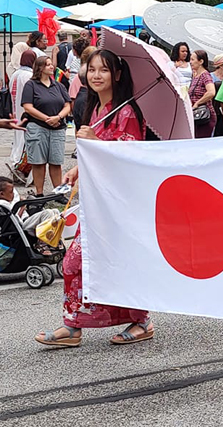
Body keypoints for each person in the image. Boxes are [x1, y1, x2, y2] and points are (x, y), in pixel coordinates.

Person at [35, 49, 154, 348]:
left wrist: (96, 141)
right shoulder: (95, 108)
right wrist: (78, 167)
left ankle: (142, 320)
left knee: (111, 260)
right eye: (91, 69)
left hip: (119, 203)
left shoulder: (127, 111)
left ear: (116, 74)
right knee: (77, 262)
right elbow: (96, 154)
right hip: (97, 200)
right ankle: (73, 325)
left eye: (103, 70)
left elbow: (130, 157)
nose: (96, 75)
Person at [21, 56, 71, 197]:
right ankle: (39, 193)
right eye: (48, 64)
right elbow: (28, 107)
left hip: (57, 127)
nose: (51, 67)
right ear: (40, 68)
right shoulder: (31, 85)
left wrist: (58, 117)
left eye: (51, 64)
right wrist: (46, 118)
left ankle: (58, 193)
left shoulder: (58, 85)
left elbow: (68, 105)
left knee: (56, 161)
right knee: (38, 162)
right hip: (38, 126)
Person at [8, 50, 36, 174]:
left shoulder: (16, 73)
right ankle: (21, 163)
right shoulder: (28, 75)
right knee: (24, 138)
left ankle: (15, 159)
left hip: (15, 109)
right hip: (25, 110)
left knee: (17, 136)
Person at [188, 50, 216, 138]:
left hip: (203, 116)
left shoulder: (205, 75)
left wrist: (198, 103)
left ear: (201, 61)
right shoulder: (196, 76)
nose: (190, 62)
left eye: (193, 59)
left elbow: (211, 92)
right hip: (196, 115)